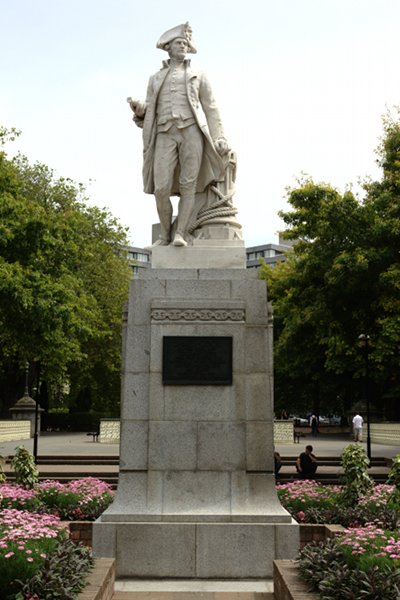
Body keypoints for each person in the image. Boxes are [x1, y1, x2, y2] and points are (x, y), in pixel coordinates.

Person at [128, 22, 229, 247]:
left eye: (185, 43)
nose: (183, 46)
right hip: (164, 133)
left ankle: (180, 233)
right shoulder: (155, 78)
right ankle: (165, 235)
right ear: (169, 48)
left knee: (188, 185)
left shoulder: (198, 74)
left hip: (192, 131)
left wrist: (220, 137)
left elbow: (211, 108)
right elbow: (150, 110)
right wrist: (140, 111)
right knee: (161, 188)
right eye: (179, 43)